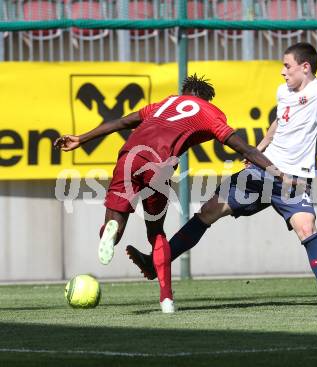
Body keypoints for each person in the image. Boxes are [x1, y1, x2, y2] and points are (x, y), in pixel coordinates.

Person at [126, 28, 317, 311]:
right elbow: (279, 122)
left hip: (293, 179)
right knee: (209, 211)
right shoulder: (283, 92)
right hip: (263, 172)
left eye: (287, 66)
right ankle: (157, 265)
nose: (282, 72)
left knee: (306, 227)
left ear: (305, 67)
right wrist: (261, 148)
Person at [54, 74, 291, 313]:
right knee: (156, 233)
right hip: (158, 166)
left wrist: (81, 139)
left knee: (115, 223)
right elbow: (245, 148)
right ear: (205, 99)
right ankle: (166, 299)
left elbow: (122, 123)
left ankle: (110, 233)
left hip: (130, 156)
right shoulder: (209, 112)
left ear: (184, 92)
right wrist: (278, 174)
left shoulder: (164, 103)